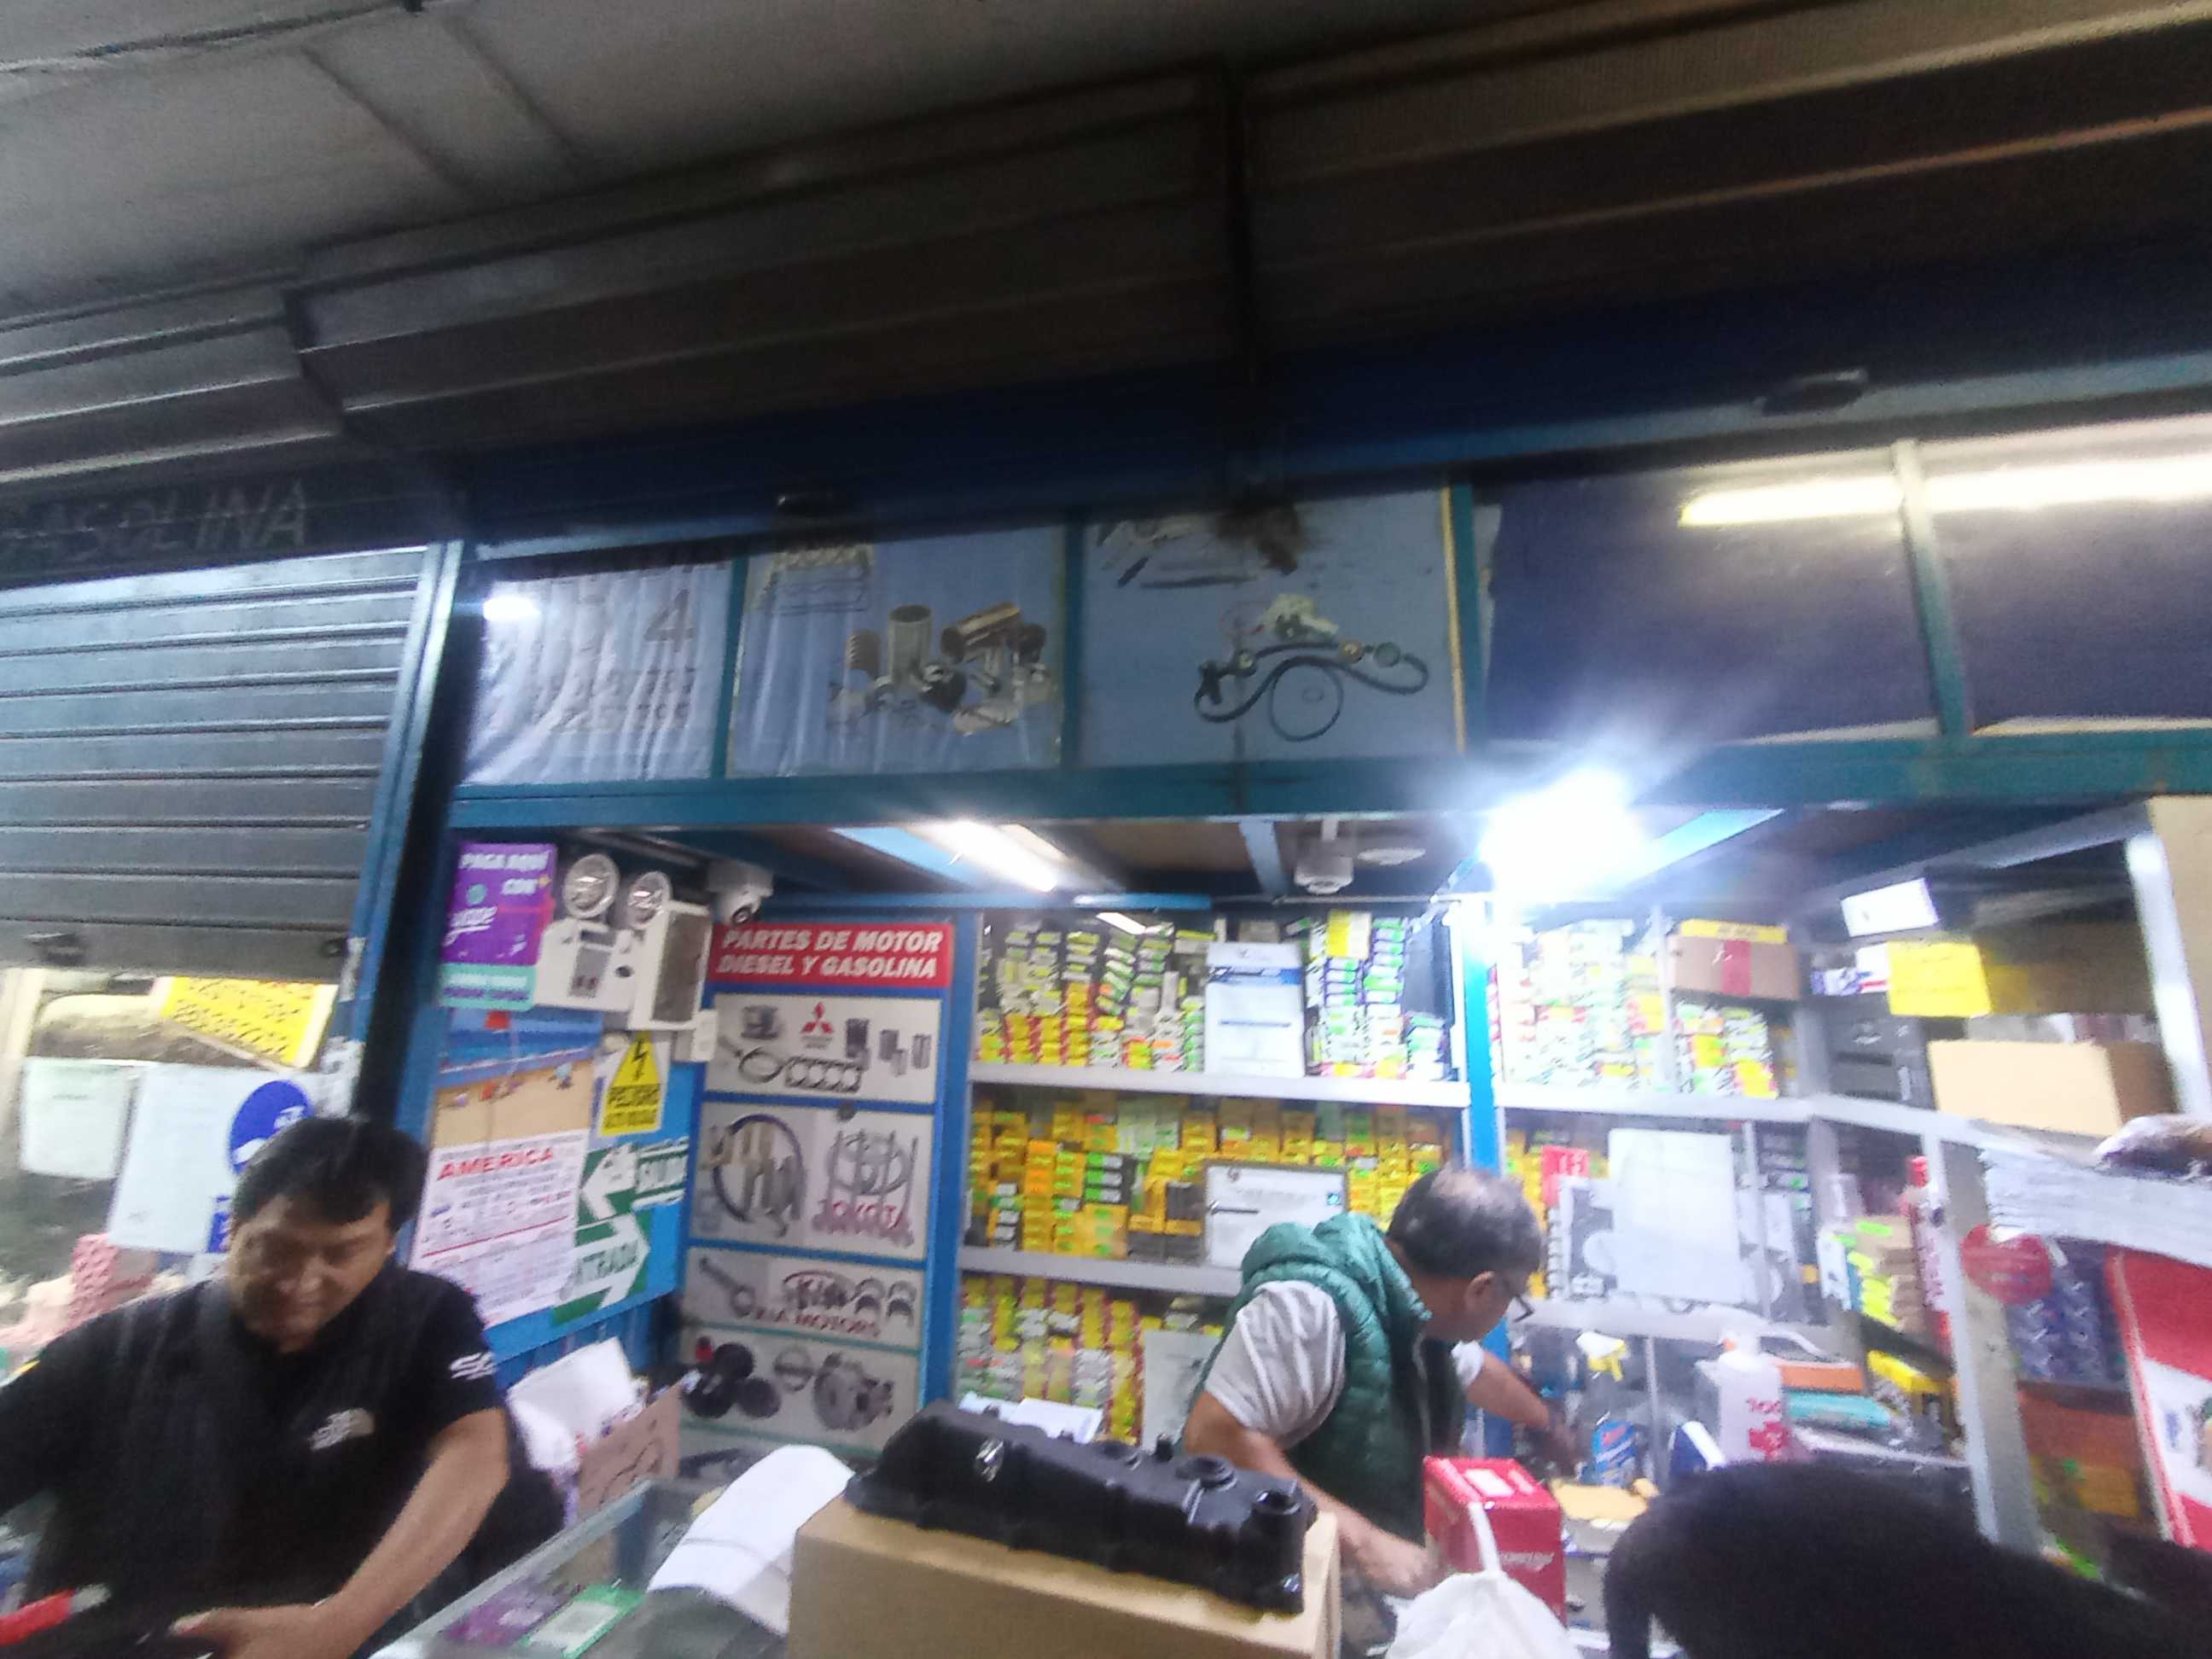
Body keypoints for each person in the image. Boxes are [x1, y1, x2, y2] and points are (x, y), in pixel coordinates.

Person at [0, 1116, 556, 1659]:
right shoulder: (113, 1351)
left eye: (339, 1254)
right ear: (234, 1228)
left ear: (388, 1245)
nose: (299, 1282)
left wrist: (337, 1625)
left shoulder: (428, 1323)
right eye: (275, 1249)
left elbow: (474, 1452)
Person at [1183, 1167, 1544, 1600]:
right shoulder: (1308, 1309)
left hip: (1336, 1595)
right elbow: (1213, 1436)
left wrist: (1547, 1422)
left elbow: (1480, 1373)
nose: (1507, 1311)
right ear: (1481, 1290)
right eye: (1514, 1297)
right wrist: (1368, 1547)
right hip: (1262, 1591)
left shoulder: (1423, 1317)